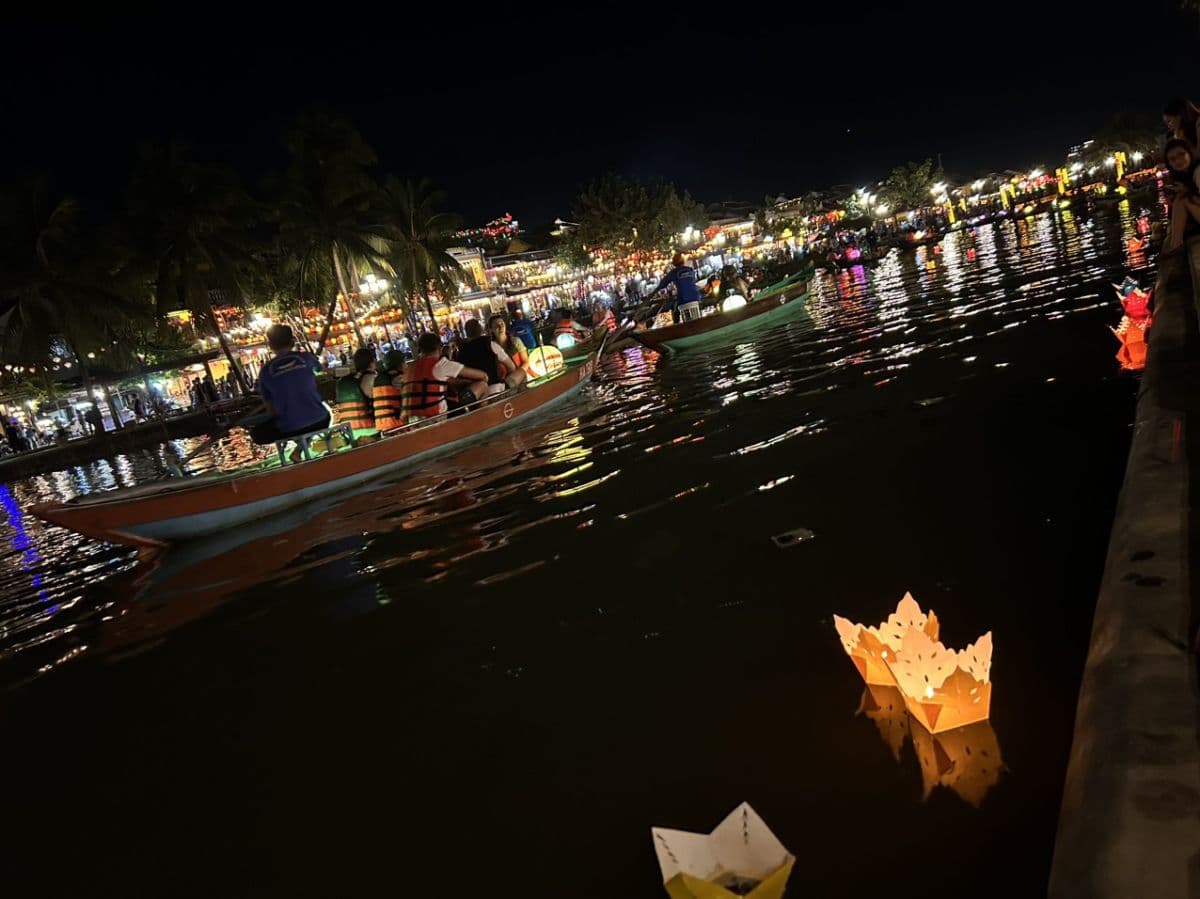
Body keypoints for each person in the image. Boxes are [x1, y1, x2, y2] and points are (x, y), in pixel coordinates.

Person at [250, 324, 331, 445]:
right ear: (292, 341)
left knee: (257, 434)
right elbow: (320, 369)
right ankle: (301, 447)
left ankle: (300, 447)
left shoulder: (265, 371)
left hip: (291, 428)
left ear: (270, 345)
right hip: (321, 419)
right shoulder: (306, 357)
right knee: (313, 415)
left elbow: (271, 410)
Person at [401, 332, 490, 421]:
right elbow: (483, 376)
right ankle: (481, 421)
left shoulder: (410, 369)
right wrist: (470, 383)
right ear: (439, 348)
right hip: (437, 418)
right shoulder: (440, 364)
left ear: (419, 349)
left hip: (413, 422)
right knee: (482, 385)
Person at [459, 318, 526, 392]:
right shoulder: (490, 344)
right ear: (481, 329)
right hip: (496, 388)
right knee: (521, 372)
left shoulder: (462, 351)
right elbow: (511, 366)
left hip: (478, 393)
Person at [1163, 139, 1200, 253]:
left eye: (1181, 154)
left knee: (1182, 198)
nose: (1178, 160)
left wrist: (1188, 191)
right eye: (1173, 159)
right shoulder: (1185, 176)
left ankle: (1175, 244)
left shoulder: (1198, 171)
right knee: (1180, 198)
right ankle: (1176, 243)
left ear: (1189, 153)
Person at [648, 252, 702, 322]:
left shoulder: (674, 272)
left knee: (675, 310)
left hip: (683, 298)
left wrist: (653, 293)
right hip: (695, 297)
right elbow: (690, 283)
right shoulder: (690, 270)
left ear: (674, 263)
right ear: (683, 261)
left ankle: (677, 325)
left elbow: (662, 284)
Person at [335, 347, 377, 433]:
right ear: (372, 362)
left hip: (347, 431)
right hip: (369, 427)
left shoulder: (343, 381)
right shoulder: (370, 378)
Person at [488, 314, 531, 383]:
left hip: (521, 376)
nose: (500, 327)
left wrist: (517, 375)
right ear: (491, 329)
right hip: (503, 381)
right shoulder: (492, 347)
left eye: (502, 324)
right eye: (496, 325)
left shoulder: (515, 341)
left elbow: (526, 361)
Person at [372, 350, 406, 431]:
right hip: (396, 423)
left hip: (381, 424)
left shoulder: (378, 378)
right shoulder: (398, 378)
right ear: (399, 365)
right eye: (404, 362)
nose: (406, 365)